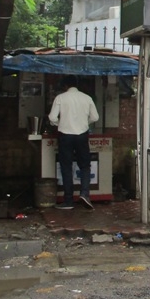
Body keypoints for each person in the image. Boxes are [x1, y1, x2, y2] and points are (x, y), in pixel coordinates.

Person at [48, 75, 99, 210]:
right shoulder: (87, 98)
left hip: (65, 136)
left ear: (65, 86)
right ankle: (84, 194)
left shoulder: (60, 98)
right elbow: (95, 117)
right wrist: (84, 123)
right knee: (85, 165)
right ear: (77, 85)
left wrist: (61, 124)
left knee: (66, 166)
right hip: (82, 135)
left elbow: (52, 117)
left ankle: (68, 201)